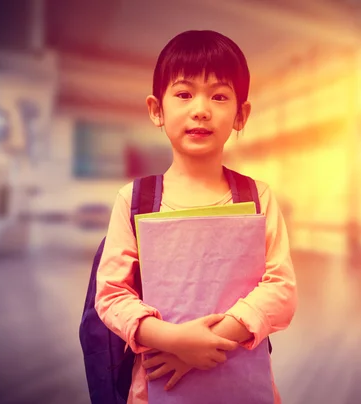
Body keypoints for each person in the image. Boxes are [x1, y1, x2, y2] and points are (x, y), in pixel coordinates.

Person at [95, 30, 297, 404]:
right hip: (155, 390)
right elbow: (111, 295)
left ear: (241, 114)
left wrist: (205, 343)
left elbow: (281, 290)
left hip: (243, 388)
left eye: (219, 96)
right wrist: (172, 340)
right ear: (157, 109)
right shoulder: (135, 200)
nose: (201, 109)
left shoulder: (257, 198)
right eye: (184, 94)